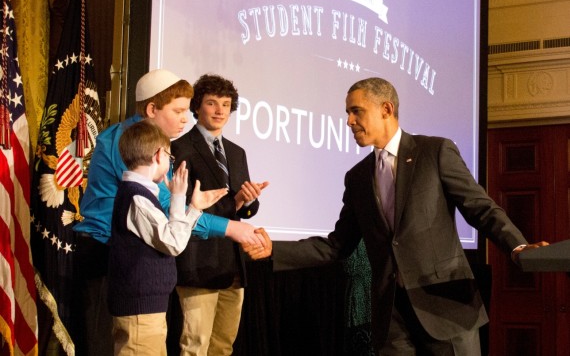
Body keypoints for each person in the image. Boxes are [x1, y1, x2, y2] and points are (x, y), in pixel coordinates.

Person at [244, 77, 548, 355]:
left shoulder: (435, 152)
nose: (349, 121)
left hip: (446, 309)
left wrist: (517, 247)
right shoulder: (358, 177)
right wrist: (275, 250)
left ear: (386, 109)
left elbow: (480, 208)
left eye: (356, 111)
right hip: (391, 318)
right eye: (347, 113)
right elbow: (337, 246)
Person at [73, 69, 264, 356]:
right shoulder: (131, 142)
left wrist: (195, 206)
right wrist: (230, 227)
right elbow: (162, 208)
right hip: (106, 258)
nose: (185, 119)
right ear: (152, 109)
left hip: (130, 262)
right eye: (178, 111)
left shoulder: (150, 142)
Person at [108, 120, 225, 355]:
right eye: (170, 160)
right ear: (159, 155)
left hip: (147, 310)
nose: (171, 167)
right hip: (140, 313)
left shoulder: (140, 195)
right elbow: (173, 244)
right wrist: (179, 198)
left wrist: (193, 208)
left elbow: (170, 237)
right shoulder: (136, 198)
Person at [171, 73, 269, 356]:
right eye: (212, 103)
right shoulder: (180, 148)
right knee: (195, 345)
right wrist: (233, 203)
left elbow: (244, 211)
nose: (219, 111)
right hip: (197, 261)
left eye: (225, 104)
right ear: (197, 107)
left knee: (223, 346)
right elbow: (183, 207)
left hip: (232, 265)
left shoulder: (237, 153)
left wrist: (246, 200)